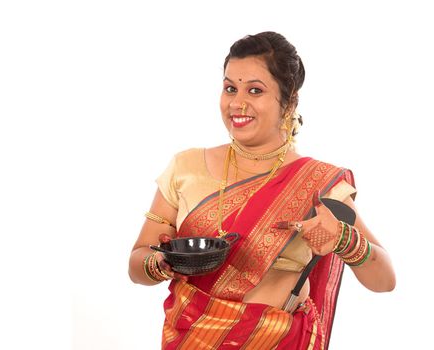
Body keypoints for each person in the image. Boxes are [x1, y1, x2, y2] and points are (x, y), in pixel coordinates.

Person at [128, 31, 395, 349]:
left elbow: (385, 280)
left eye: (255, 90)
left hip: (279, 341)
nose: (237, 103)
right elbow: (137, 263)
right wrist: (158, 264)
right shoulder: (186, 168)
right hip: (191, 337)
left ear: (289, 100)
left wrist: (343, 239)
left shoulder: (318, 182)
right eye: (230, 88)